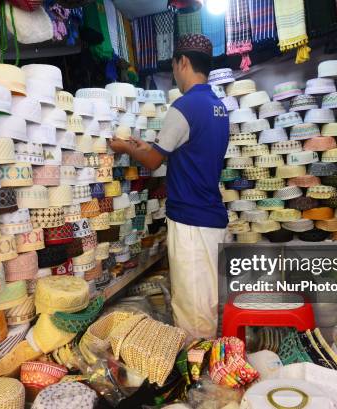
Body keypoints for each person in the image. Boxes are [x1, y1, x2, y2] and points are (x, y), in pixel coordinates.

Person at [109, 34, 229, 340]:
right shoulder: (218, 106)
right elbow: (187, 152)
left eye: (174, 66)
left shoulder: (184, 106)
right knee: (209, 298)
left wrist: (127, 147)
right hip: (212, 215)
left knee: (192, 306)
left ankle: (198, 375)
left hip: (190, 218)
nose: (174, 73)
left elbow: (151, 162)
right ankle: (212, 359)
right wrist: (145, 147)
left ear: (183, 62)